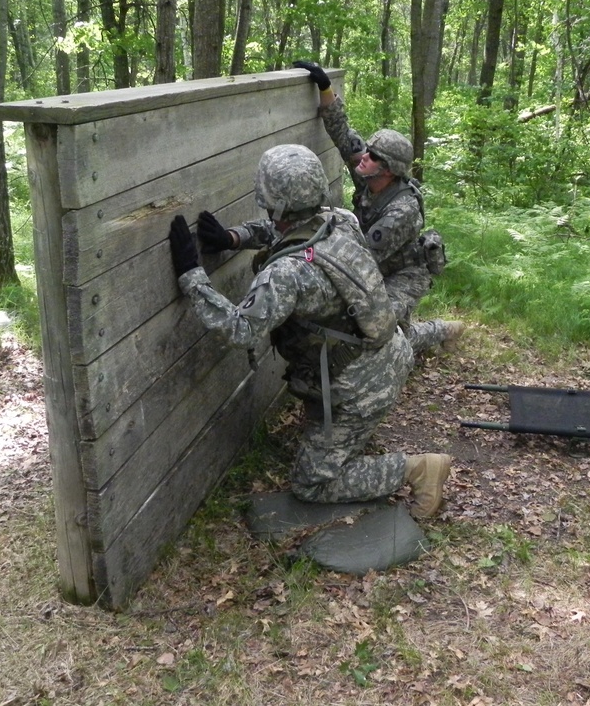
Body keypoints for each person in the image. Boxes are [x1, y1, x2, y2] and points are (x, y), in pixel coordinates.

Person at [169, 144, 452, 518]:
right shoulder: (343, 220)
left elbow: (238, 329)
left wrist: (192, 275)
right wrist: (235, 238)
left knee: (312, 484)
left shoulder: (286, 274)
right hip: (387, 356)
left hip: (358, 388)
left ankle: (418, 469)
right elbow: (291, 231)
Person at [291, 59, 464, 356]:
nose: (363, 158)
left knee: (382, 335)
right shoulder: (370, 177)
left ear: (388, 170)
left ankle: (439, 331)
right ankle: (428, 331)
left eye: (372, 156)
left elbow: (361, 260)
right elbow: (344, 134)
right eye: (368, 152)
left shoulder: (402, 211)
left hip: (403, 276)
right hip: (377, 267)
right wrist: (324, 85)